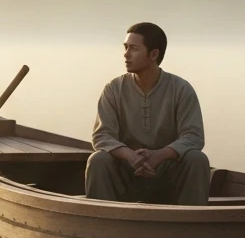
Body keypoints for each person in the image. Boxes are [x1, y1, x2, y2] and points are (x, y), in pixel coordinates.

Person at [85, 23, 210, 205]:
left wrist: (158, 156)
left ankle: (191, 226)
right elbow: (102, 136)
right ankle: (100, 224)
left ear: (153, 54)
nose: (126, 54)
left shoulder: (181, 89)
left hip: (167, 172)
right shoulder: (114, 89)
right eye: (125, 47)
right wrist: (131, 156)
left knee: (197, 159)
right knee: (98, 159)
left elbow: (193, 137)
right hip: (127, 171)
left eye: (134, 49)